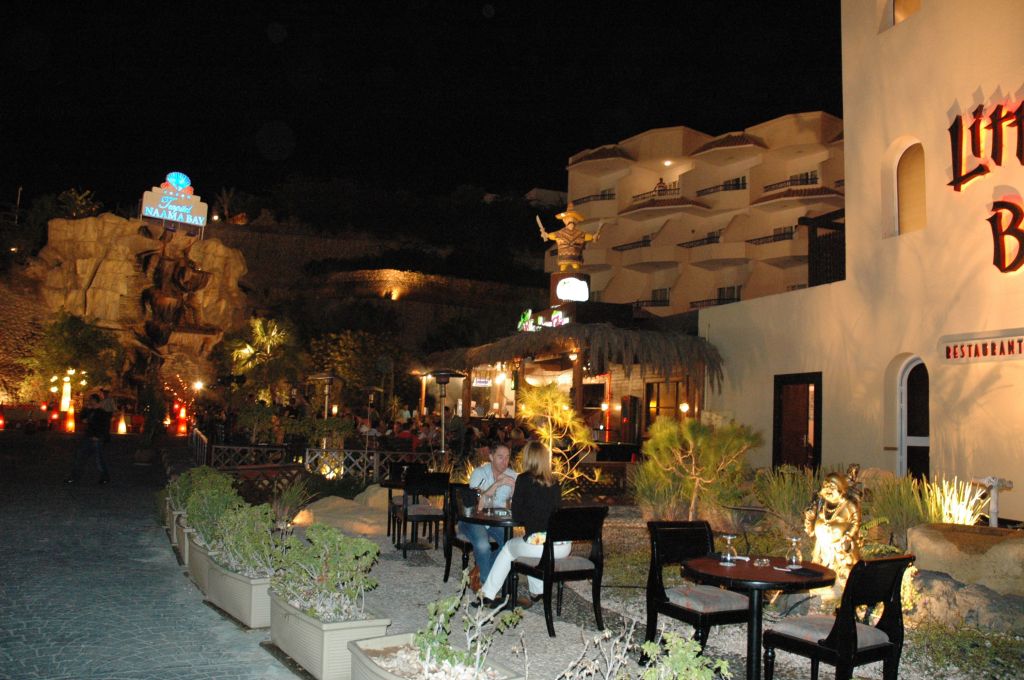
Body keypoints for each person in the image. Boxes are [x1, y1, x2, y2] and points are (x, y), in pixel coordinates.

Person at [479, 441, 567, 606]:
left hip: (541, 544)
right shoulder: (555, 481)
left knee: (509, 548)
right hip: (562, 545)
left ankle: (487, 594)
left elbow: (517, 515)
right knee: (528, 544)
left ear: (527, 458)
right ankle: (537, 591)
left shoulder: (524, 479)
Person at [460, 444, 518, 588]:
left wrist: (514, 489)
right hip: (473, 520)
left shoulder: (513, 475)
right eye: (500, 457)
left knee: (510, 545)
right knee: (483, 546)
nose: (504, 461)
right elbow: (476, 506)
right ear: (491, 457)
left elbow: (517, 506)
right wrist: (497, 484)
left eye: (507, 457)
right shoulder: (479, 474)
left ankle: (481, 572)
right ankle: (486, 586)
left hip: (497, 522)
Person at [65, 394, 113, 485]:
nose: (89, 402)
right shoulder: (90, 411)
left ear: (94, 401)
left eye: (90, 400)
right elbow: (82, 418)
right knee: (80, 457)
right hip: (89, 437)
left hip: (96, 439)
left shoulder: (102, 413)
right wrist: (86, 409)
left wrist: (99, 436)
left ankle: (105, 477)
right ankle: (74, 477)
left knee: (98, 459)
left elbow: (105, 427)